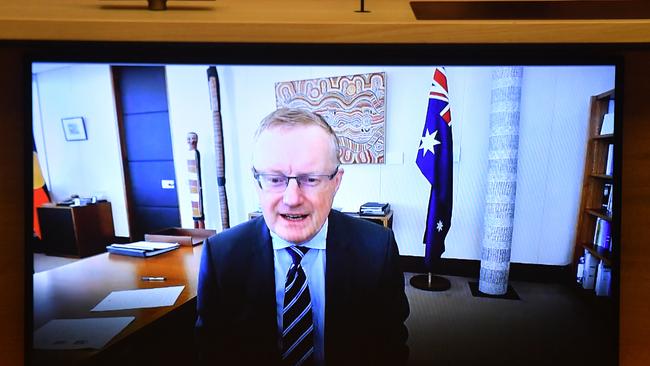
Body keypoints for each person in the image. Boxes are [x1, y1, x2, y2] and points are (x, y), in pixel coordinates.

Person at [196, 108, 409, 365]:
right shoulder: (221, 257)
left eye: (310, 179)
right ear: (257, 183)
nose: (292, 198)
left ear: (336, 182)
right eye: (275, 179)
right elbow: (211, 354)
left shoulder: (377, 251)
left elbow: (390, 350)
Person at [186, 132, 205, 229]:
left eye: (193, 138)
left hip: (197, 188)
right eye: (189, 139)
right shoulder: (188, 154)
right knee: (194, 213)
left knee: (199, 212)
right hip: (192, 189)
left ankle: (202, 233)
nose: (191, 141)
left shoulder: (195, 153)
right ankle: (195, 233)